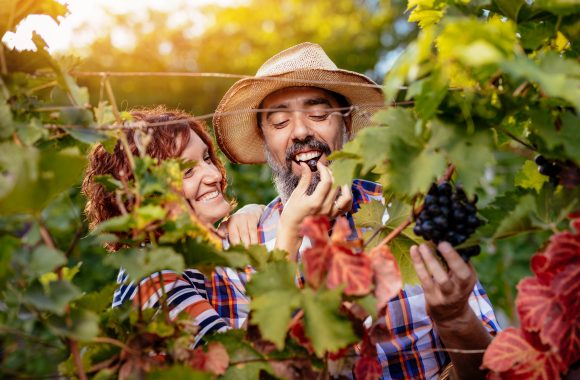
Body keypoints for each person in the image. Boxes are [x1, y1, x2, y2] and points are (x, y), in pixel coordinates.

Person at [213, 42, 500, 379]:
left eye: (319, 115)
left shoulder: (413, 215)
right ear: (264, 138)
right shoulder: (239, 246)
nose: (302, 131)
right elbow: (247, 369)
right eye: (278, 122)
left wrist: (455, 319)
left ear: (347, 123)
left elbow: (492, 371)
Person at [82, 106, 263, 345]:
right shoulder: (153, 277)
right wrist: (288, 232)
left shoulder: (188, 259)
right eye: (187, 171)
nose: (213, 175)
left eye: (207, 158)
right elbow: (237, 363)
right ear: (142, 195)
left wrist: (257, 211)